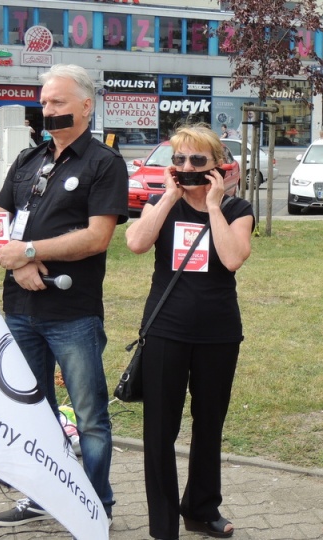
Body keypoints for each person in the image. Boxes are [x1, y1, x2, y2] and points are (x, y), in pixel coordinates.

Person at [0, 64, 128, 527]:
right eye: (45, 102)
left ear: (86, 106)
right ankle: (42, 496)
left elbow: (96, 237)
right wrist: (21, 261)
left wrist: (29, 249)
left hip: (72, 313)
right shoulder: (29, 159)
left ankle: (94, 506)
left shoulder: (104, 163)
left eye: (58, 103)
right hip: (20, 309)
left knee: (89, 418)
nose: (48, 110)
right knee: (33, 412)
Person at [126, 124, 254, 540]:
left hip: (217, 333)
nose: (186, 167)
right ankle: (163, 524)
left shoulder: (237, 210)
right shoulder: (162, 204)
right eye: (178, 159)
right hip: (166, 330)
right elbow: (136, 243)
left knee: (209, 423)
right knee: (160, 428)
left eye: (197, 160)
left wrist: (213, 206)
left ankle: (201, 508)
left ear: (218, 166)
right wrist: (169, 197)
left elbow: (233, 258)